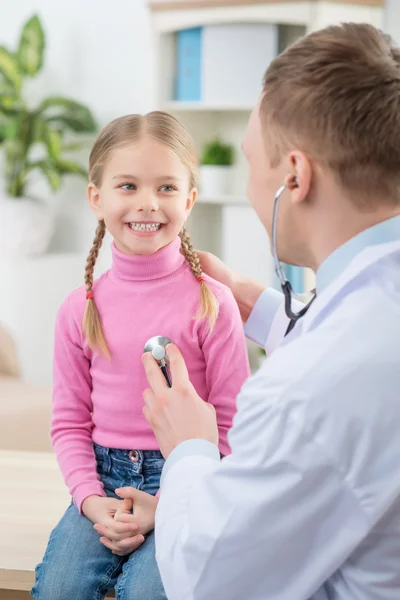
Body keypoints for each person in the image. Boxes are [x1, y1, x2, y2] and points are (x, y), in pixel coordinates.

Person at [118, 23, 400, 600]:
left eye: (251, 163)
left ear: (294, 176)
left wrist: (190, 445)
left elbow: (209, 579)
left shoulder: (312, 387)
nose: (248, 187)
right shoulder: (367, 318)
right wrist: (261, 308)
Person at [31, 111, 250, 600]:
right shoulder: (79, 309)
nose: (148, 203)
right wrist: (89, 501)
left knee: (153, 592)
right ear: (97, 198)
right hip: (101, 484)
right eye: (127, 186)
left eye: (167, 188)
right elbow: (69, 423)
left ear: (190, 199)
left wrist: (176, 500)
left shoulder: (212, 303)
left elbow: (233, 426)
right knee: (59, 588)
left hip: (185, 482)